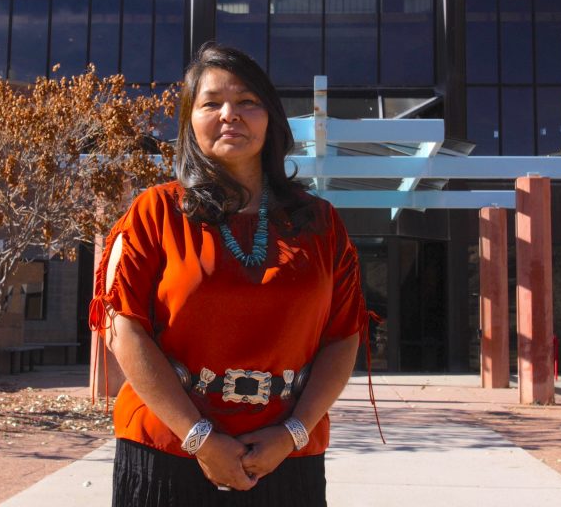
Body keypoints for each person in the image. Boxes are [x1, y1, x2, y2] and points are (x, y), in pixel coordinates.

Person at [91, 42, 369, 506]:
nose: (229, 115)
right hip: (165, 448)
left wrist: (292, 433)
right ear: (189, 121)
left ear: (271, 119)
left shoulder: (321, 222)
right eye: (211, 103)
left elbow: (343, 336)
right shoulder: (154, 212)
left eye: (247, 102)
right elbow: (124, 330)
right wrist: (199, 436)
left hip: (286, 454)